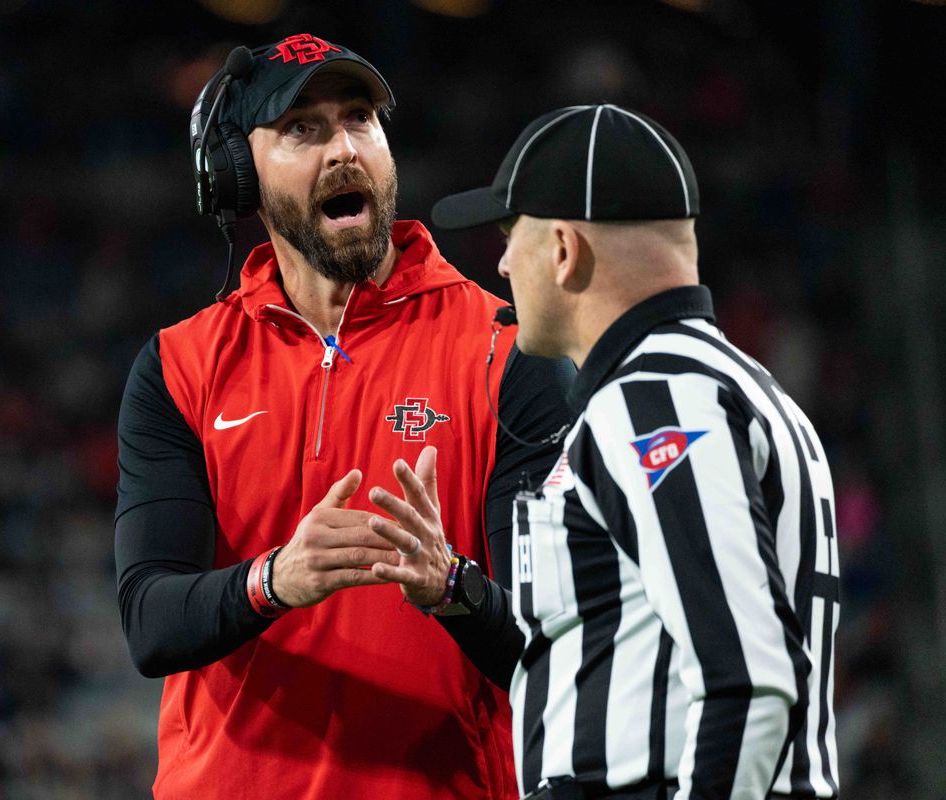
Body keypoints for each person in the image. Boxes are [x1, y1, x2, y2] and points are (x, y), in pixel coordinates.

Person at [113, 34, 575, 800]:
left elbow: (556, 649)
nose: (343, 149)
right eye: (302, 128)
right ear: (237, 174)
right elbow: (150, 623)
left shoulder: (507, 352)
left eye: (360, 118)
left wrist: (452, 586)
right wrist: (274, 580)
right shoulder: (179, 367)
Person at [366, 104, 840, 800]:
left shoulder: (659, 403)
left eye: (511, 236)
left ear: (564, 249)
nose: (501, 263)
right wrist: (455, 587)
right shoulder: (730, 389)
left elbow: (748, 681)